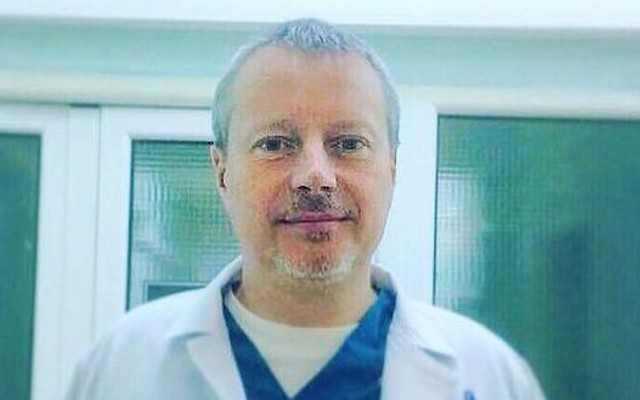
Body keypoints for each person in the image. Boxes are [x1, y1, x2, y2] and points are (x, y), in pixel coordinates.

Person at [66, 18, 546, 400]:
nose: (315, 176)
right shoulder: (120, 368)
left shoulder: (491, 376)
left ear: (392, 170)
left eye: (348, 144)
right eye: (275, 143)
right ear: (222, 172)